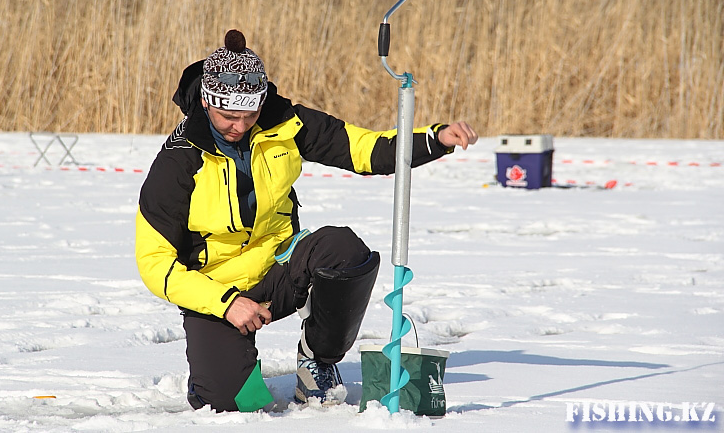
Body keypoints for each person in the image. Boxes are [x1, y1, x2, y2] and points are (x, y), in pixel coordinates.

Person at [135, 29, 478, 413]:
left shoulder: (288, 122)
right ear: (205, 102)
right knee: (233, 403)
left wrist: (436, 139)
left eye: (250, 115)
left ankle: (318, 358)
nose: (240, 125)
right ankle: (220, 373)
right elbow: (155, 265)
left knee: (344, 250)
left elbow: (364, 149)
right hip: (216, 289)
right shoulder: (176, 163)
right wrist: (227, 303)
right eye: (228, 116)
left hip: (280, 267)